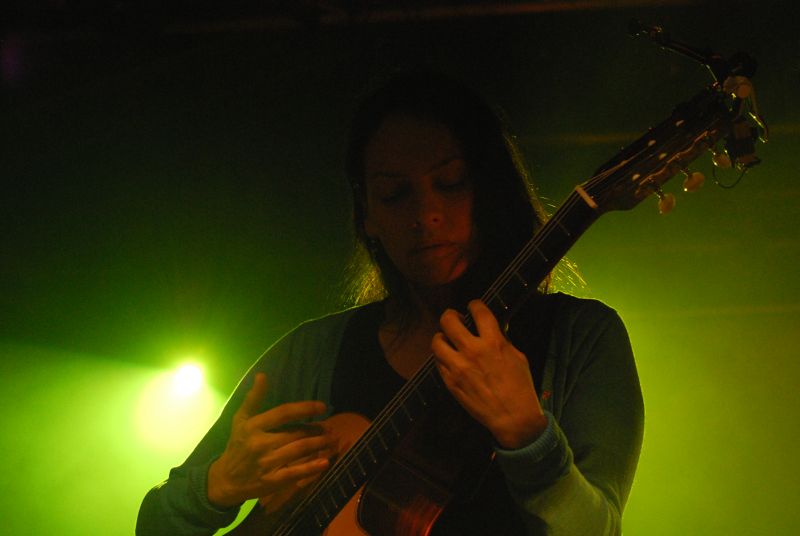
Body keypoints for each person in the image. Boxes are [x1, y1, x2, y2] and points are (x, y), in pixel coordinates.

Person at [136, 71, 644, 535]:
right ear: (366, 216)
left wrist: (529, 434)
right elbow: (153, 527)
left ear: (490, 190)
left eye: (450, 184)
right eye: (395, 194)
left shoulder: (581, 339)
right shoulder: (311, 354)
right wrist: (218, 486)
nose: (426, 214)